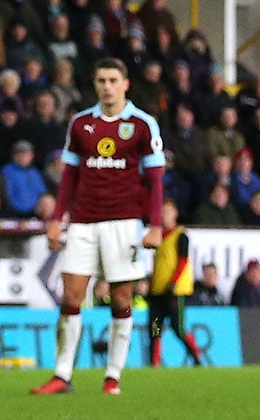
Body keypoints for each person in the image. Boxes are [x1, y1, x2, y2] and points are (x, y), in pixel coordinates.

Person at [31, 56, 164, 397]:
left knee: (121, 298)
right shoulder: (80, 124)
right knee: (71, 296)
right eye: (101, 80)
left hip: (123, 223)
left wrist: (155, 225)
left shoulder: (142, 124)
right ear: (95, 84)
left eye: (113, 80)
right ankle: (62, 374)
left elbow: (155, 178)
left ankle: (113, 376)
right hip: (83, 222)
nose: (107, 86)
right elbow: (69, 176)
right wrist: (57, 220)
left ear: (125, 84)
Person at [144, 198, 204, 367]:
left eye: (167, 211)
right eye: (161, 211)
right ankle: (154, 363)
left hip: (173, 292)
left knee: (178, 328)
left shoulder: (180, 235)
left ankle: (196, 356)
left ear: (175, 213)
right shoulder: (157, 237)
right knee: (155, 328)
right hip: (157, 292)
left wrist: (174, 282)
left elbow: (183, 261)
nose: (164, 215)